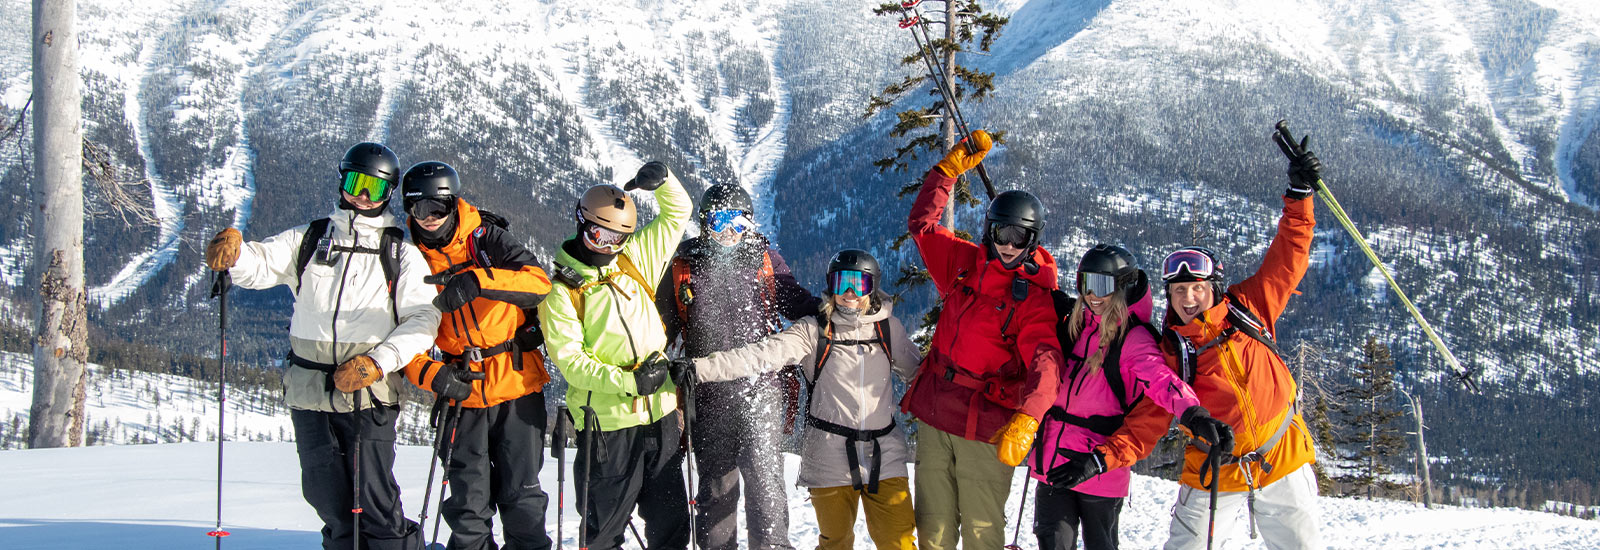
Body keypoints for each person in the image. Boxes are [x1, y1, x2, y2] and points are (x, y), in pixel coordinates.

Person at [204, 142, 437, 550]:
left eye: (374, 188)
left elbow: (423, 319)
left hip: (367, 394)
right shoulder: (311, 238)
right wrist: (235, 256)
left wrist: (377, 363)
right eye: (354, 182)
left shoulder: (400, 252)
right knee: (325, 495)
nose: (362, 195)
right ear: (342, 180)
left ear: (388, 194)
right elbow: (261, 264)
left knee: (374, 500)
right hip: (310, 391)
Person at [1106, 137, 1324, 549]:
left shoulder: (1250, 307)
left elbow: (1289, 255)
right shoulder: (1171, 353)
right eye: (1178, 291)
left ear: (1216, 288)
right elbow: (1149, 420)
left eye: (1197, 288)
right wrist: (1102, 458)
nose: (1188, 298)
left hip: (1282, 456)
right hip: (1214, 467)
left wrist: (1299, 196)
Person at [681, 249, 918, 550]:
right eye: (841, 282)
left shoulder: (888, 329)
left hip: (884, 454)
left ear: (872, 288)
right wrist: (699, 368)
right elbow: (759, 355)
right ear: (830, 284)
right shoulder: (814, 330)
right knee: (835, 543)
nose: (848, 293)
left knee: (899, 540)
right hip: (829, 456)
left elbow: (920, 374)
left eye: (858, 284)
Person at [901, 130, 1064, 550]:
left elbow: (1046, 362)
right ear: (989, 231)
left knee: (980, 530)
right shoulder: (963, 264)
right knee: (933, 528)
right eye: (1002, 234)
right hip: (937, 410)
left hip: (986, 424)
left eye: (1020, 238)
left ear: (1033, 241)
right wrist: (947, 173)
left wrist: (1029, 418)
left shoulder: (1034, 300)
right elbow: (922, 226)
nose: (1009, 246)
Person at [1026, 245, 1232, 550]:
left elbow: (1161, 379)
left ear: (1122, 288)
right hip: (1054, 463)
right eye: (1086, 283)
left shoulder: (1133, 338)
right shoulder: (1076, 324)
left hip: (1099, 469)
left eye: (1102, 285)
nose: (1093, 295)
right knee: (1052, 543)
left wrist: (1192, 413)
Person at [397, 161, 555, 550]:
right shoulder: (405, 259)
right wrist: (430, 374)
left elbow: (538, 283)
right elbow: (396, 338)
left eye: (438, 208)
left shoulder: (486, 239)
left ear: (453, 205)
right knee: (468, 504)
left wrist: (479, 280)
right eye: (420, 210)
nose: (429, 219)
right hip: (460, 387)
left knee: (522, 496)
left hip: (516, 383)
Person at [537, 161, 694, 550]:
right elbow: (572, 362)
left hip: (660, 415)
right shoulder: (560, 292)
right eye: (598, 235)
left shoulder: (635, 258)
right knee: (605, 529)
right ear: (581, 223)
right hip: (607, 426)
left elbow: (678, 213)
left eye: (618, 238)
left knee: (671, 523)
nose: (608, 247)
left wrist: (665, 182)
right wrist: (628, 381)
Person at [656, 183, 818, 550]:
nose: (729, 232)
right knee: (716, 489)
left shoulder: (765, 263)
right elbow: (659, 328)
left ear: (750, 223)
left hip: (761, 389)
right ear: (704, 224)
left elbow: (799, 303)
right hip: (709, 396)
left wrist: (835, 314)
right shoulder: (684, 268)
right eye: (719, 222)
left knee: (766, 486)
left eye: (739, 222)